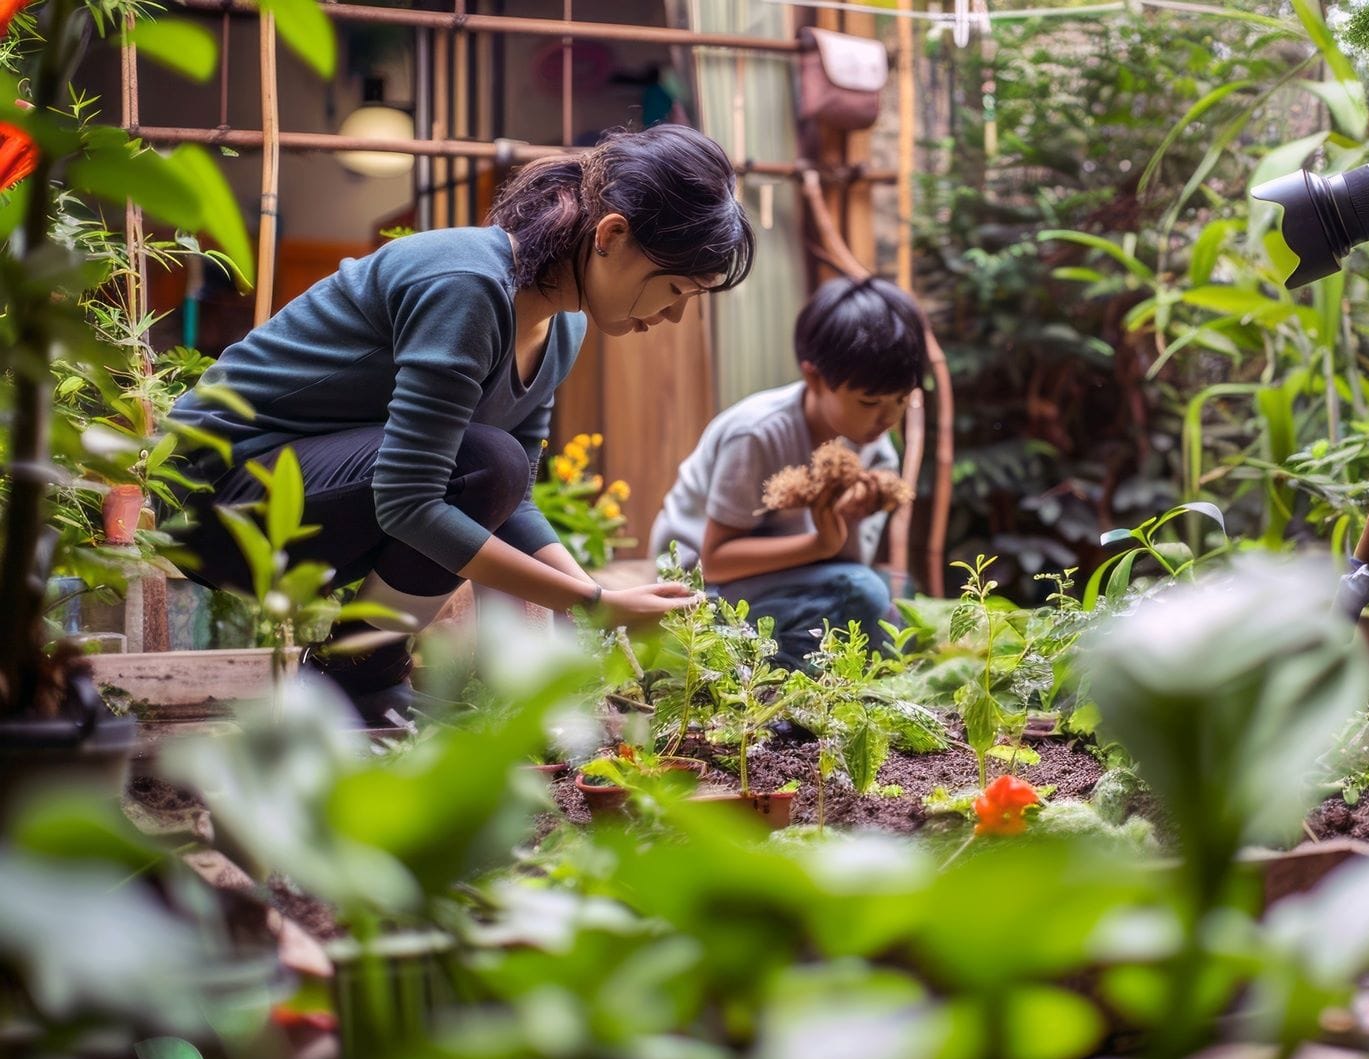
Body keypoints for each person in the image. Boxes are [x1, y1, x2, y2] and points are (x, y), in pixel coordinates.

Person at [166, 124, 755, 726]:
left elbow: (510, 496)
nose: (677, 315)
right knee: (485, 461)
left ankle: (356, 683)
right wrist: (594, 601)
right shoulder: (468, 285)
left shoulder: (563, 326)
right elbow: (410, 502)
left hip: (304, 495)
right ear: (612, 236)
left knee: (492, 469)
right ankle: (352, 680)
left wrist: (594, 603)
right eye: (677, 288)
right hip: (211, 496)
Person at [648, 277, 923, 667]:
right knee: (864, 594)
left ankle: (804, 669)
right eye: (869, 401)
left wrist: (843, 521)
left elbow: (844, 561)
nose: (888, 417)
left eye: (902, 400)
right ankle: (769, 679)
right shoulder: (758, 434)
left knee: (894, 590)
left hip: (789, 572)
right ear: (814, 377)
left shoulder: (873, 451)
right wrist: (820, 545)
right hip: (697, 583)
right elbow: (716, 559)